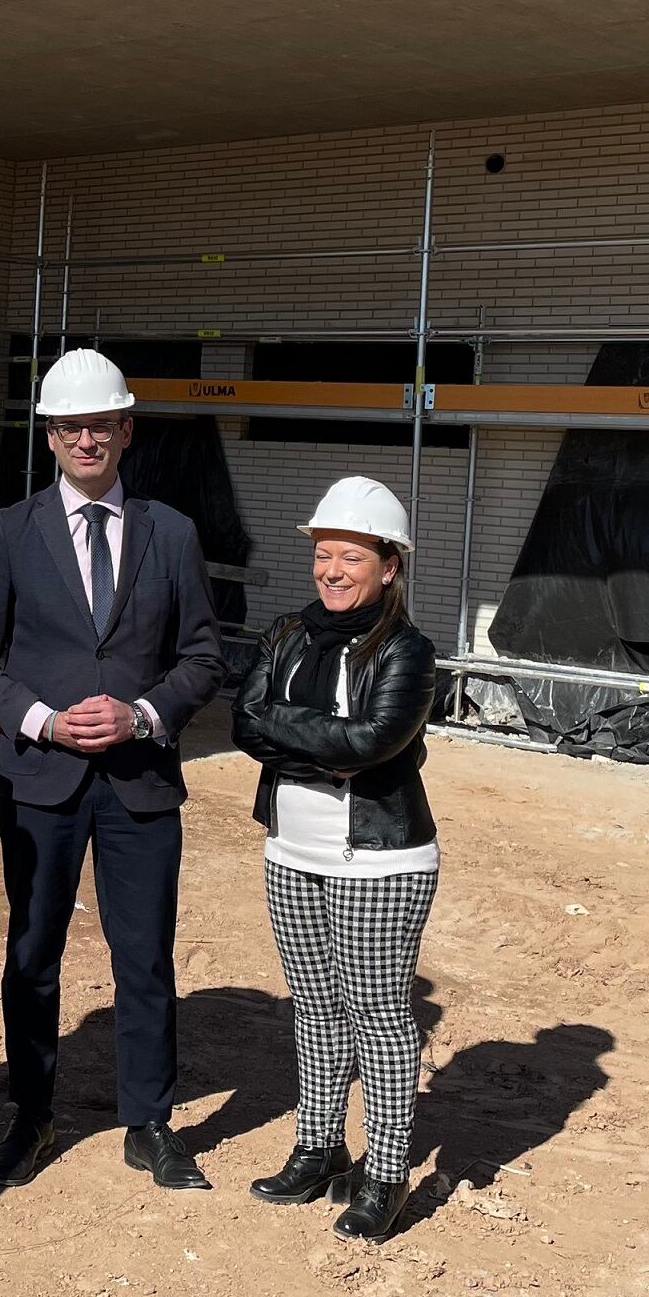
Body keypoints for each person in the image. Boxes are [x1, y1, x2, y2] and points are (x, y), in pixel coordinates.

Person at [0, 349, 226, 1191]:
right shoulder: (9, 530)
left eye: (100, 425)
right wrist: (41, 721)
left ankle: (147, 1121)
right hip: (41, 780)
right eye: (70, 426)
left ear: (125, 430)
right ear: (49, 436)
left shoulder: (171, 533)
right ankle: (31, 1114)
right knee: (32, 951)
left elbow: (203, 657)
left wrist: (142, 713)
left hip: (138, 779)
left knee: (142, 955)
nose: (86, 439)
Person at [229, 476, 438, 1242]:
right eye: (323, 554)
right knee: (313, 1009)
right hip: (291, 848)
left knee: (378, 1017)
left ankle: (383, 1173)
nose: (332, 570)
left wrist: (295, 732)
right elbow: (243, 722)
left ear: (388, 565)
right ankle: (318, 1148)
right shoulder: (286, 633)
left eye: (350, 555)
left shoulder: (408, 651)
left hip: (378, 860)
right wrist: (319, 739)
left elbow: (372, 743)